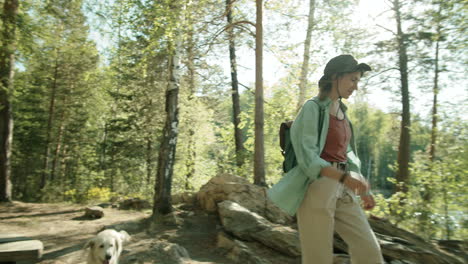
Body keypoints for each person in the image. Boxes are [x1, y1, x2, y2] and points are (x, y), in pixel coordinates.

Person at [267, 55, 384, 264]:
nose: (355, 87)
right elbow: (308, 158)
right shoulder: (312, 108)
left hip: (344, 187)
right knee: (317, 257)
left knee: (369, 250)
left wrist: (361, 186)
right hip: (317, 187)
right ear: (335, 77)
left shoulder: (343, 113)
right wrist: (344, 178)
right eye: (352, 79)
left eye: (358, 81)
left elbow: (349, 154)